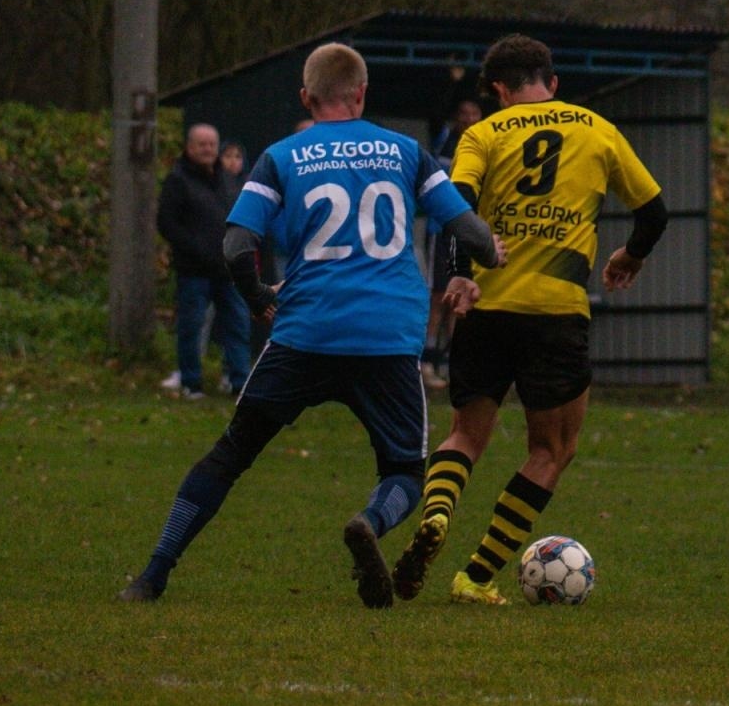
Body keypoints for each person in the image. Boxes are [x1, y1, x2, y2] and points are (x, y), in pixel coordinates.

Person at [118, 43, 505, 608]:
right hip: (387, 336)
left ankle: (152, 575)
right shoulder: (406, 153)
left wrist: (255, 298)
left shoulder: (282, 155)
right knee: (404, 471)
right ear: (363, 93)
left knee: (230, 455)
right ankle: (371, 522)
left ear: (306, 97)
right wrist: (490, 256)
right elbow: (466, 231)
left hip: (306, 330)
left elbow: (235, 244)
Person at [391, 33, 668, 604]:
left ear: (497, 89)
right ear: (553, 82)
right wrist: (630, 255)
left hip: (485, 306)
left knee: (465, 435)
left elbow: (454, 209)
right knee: (551, 451)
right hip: (556, 314)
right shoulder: (597, 129)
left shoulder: (483, 133)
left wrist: (461, 274)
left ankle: (438, 515)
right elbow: (654, 212)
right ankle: (476, 574)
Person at [156, 123, 249, 399]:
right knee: (192, 327)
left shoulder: (227, 180)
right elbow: (167, 223)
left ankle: (239, 380)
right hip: (194, 270)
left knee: (237, 325)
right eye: (202, 144)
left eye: (212, 144)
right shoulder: (178, 180)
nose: (208, 150)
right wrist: (193, 249)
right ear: (189, 147)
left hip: (227, 268)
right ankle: (191, 382)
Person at [420, 95, 484, 389]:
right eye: (464, 112)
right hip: (441, 230)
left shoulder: (485, 144)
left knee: (460, 301)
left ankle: (451, 363)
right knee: (437, 297)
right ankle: (426, 361)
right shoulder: (445, 139)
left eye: (475, 112)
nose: (469, 118)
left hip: (468, 229)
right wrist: (454, 84)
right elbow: (434, 113)